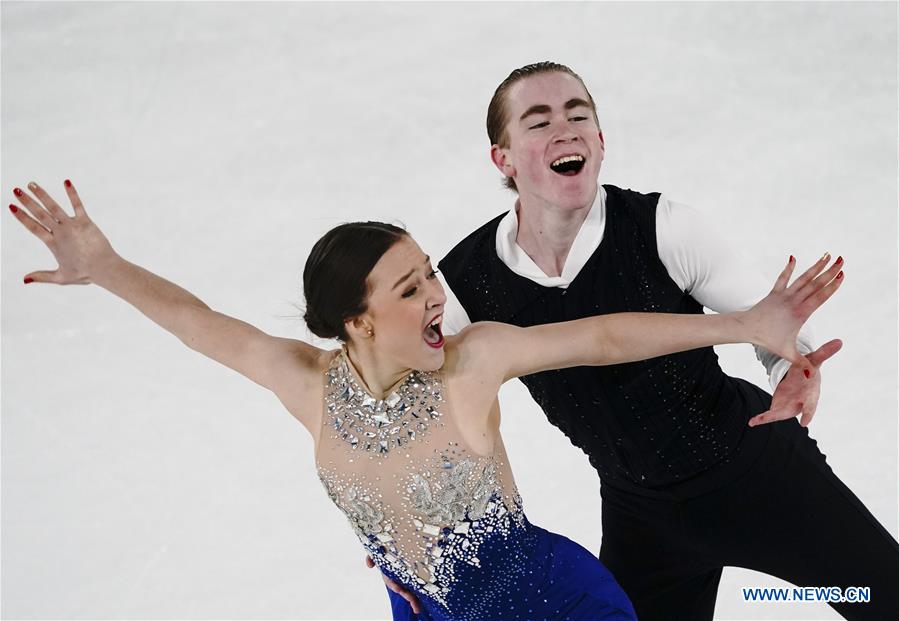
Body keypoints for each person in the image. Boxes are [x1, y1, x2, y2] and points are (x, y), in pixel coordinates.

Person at [10, 181, 842, 620]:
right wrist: (105, 267)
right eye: (411, 290)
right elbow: (198, 323)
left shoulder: (471, 367)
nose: (437, 297)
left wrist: (743, 324)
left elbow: (602, 337)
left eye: (432, 277)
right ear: (355, 322)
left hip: (552, 607)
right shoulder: (307, 385)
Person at [387, 61, 898, 620]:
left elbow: (771, 323)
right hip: (644, 518)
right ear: (502, 158)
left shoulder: (665, 228)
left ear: (600, 142)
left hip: (762, 478)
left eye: (578, 114)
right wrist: (399, 535)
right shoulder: (467, 282)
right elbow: (418, 410)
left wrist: (789, 367)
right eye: (538, 122)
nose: (566, 128)